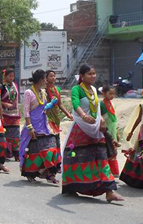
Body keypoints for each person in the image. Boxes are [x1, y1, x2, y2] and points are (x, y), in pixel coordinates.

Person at [62, 65, 123, 201]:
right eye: (90, 74)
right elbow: (75, 103)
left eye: (94, 73)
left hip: (95, 130)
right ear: (82, 76)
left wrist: (100, 119)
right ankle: (72, 186)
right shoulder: (76, 89)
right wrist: (83, 116)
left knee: (102, 158)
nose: (93, 76)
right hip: (81, 128)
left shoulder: (94, 90)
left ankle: (109, 191)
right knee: (76, 159)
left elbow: (96, 108)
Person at [19, 69, 62, 184]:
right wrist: (29, 127)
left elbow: (43, 108)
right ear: (40, 80)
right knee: (35, 151)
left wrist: (51, 104)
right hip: (33, 125)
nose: (46, 81)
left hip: (44, 125)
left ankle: (50, 173)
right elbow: (26, 111)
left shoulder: (43, 92)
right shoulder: (29, 93)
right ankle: (32, 173)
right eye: (44, 79)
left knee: (51, 148)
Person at [100, 84, 121, 179]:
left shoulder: (112, 104)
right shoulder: (101, 105)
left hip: (112, 130)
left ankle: (113, 172)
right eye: (110, 94)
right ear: (104, 94)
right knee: (106, 151)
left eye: (113, 94)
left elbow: (114, 120)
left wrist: (116, 133)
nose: (112, 96)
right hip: (105, 131)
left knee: (113, 151)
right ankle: (105, 173)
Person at [0, 68, 21, 161]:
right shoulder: (1, 87)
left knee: (16, 134)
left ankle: (17, 154)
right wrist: (4, 104)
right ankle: (7, 152)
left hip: (15, 113)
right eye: (10, 76)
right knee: (6, 134)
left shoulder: (15, 85)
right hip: (4, 113)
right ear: (5, 76)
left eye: (13, 76)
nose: (12, 78)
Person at [45, 70, 73, 136]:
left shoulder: (57, 89)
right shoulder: (44, 89)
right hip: (47, 116)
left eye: (54, 76)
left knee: (57, 135)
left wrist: (68, 114)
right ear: (46, 78)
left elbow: (60, 104)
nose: (53, 78)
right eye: (51, 76)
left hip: (56, 116)